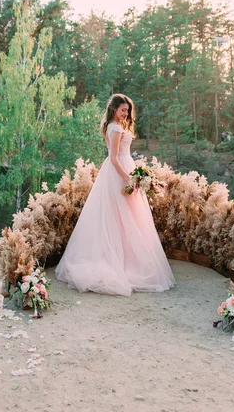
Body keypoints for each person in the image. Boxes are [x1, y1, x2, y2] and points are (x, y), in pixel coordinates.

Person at [55, 93, 176, 296]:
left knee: (128, 218)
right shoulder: (115, 128)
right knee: (118, 216)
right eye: (123, 110)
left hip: (125, 168)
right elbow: (113, 158)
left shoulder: (118, 126)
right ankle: (119, 263)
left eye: (127, 111)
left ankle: (127, 258)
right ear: (114, 110)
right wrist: (128, 178)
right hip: (118, 173)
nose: (126, 114)